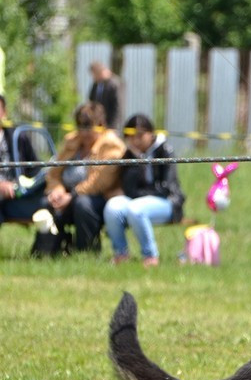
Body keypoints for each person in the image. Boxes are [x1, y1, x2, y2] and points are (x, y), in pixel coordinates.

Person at [103, 114, 185, 267]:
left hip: (167, 202)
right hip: (137, 200)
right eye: (130, 137)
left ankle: (150, 256)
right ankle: (121, 253)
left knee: (135, 208)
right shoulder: (130, 154)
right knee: (112, 207)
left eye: (140, 135)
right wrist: (137, 160)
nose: (135, 140)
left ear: (151, 132)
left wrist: (139, 195)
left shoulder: (165, 150)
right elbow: (128, 187)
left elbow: (166, 187)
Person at [45, 102, 125, 251]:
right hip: (68, 194)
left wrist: (71, 196)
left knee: (82, 204)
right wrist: (57, 190)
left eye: (89, 126)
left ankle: (86, 251)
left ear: (101, 124)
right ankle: (48, 251)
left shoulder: (112, 145)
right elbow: (53, 173)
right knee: (47, 202)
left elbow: (98, 183)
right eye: (81, 126)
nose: (85, 132)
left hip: (100, 198)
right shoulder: (72, 141)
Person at [0, 94, 49, 225]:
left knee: (48, 201)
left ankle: (46, 244)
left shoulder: (19, 136)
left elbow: (35, 168)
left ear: (4, 112)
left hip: (18, 195)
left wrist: (23, 184)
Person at [88, 61, 123, 130]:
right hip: (97, 125)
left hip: (110, 124)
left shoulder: (114, 85)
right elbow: (91, 102)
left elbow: (117, 107)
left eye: (95, 73)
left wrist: (112, 126)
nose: (93, 76)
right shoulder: (95, 85)